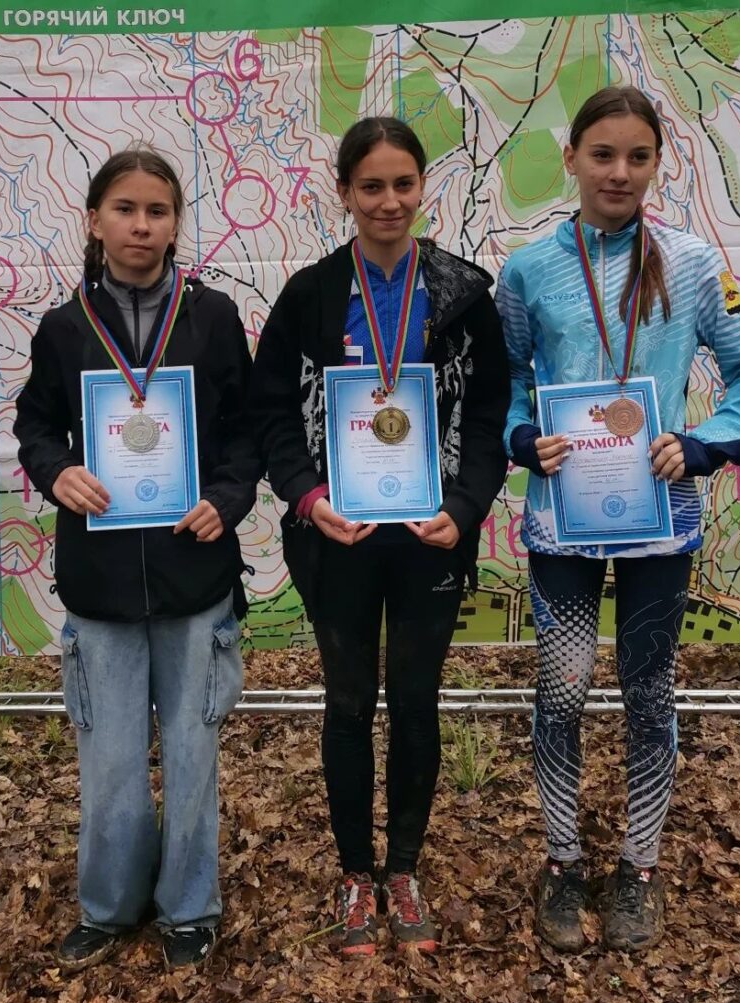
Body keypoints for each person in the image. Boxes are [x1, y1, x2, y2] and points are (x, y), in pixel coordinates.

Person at [495, 86, 740, 954]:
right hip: (564, 518)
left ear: (658, 163)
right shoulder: (528, 270)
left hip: (661, 516)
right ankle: (562, 863)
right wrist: (522, 436)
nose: (619, 172)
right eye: (603, 155)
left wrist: (700, 445)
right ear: (572, 159)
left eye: (638, 156)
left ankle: (640, 868)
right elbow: (507, 380)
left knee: (648, 688)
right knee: (562, 688)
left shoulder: (692, 264)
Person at [250, 117, 509, 956]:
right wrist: (306, 494)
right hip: (341, 535)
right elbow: (271, 410)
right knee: (349, 702)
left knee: (416, 700)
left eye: (403, 184)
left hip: (431, 535)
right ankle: (355, 872)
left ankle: (403, 869)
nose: (389, 201)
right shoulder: (310, 294)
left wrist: (465, 506)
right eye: (371, 186)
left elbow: (488, 412)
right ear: (344, 193)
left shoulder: (463, 292)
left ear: (422, 187)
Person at [14, 148, 257, 971]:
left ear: (176, 222)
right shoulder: (64, 327)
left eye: (158, 210)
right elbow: (35, 425)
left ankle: (189, 907)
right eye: (124, 209)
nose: (141, 225)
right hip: (103, 584)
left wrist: (225, 499)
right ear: (94, 220)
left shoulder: (212, 317)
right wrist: (57, 471)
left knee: (191, 754)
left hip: (195, 577)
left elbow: (246, 434)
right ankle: (110, 905)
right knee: (112, 761)